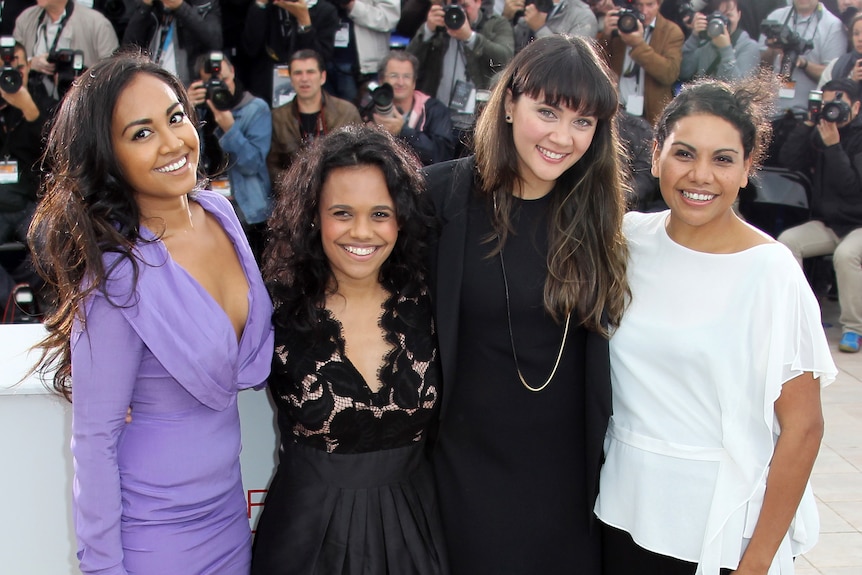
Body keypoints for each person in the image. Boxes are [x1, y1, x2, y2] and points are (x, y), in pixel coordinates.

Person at [27, 52, 274, 574]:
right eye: (141, 134)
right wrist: (104, 569)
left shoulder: (222, 215)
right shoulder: (116, 273)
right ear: (107, 155)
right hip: (155, 536)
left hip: (230, 517)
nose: (172, 143)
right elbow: (94, 442)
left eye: (176, 117)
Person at [595, 77, 837, 575]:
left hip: (720, 527)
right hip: (621, 510)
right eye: (684, 153)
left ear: (748, 168)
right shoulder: (625, 240)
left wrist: (758, 561)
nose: (700, 175)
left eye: (723, 159)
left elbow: (803, 428)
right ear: (657, 153)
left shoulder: (771, 272)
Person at [423, 35, 629, 573]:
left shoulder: (598, 214)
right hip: (462, 472)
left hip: (565, 479)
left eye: (583, 122)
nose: (563, 137)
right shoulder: (438, 198)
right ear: (509, 104)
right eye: (548, 112)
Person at [251, 125, 448, 574]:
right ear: (313, 216)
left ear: (402, 217)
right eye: (342, 212)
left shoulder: (430, 301)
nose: (362, 232)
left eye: (381, 213)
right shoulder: (273, 308)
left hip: (415, 535)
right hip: (306, 539)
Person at [777, 78, 862, 353]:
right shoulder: (820, 131)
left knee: (847, 255)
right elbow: (789, 160)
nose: (832, 110)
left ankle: (853, 329)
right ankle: (797, 320)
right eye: (825, 104)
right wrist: (809, 124)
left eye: (838, 103)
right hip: (829, 223)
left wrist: (834, 147)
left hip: (858, 224)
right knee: (787, 242)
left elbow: (852, 188)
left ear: (856, 107)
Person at [189, 52, 272, 260]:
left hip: (248, 208)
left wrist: (230, 128)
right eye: (212, 82)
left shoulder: (255, 109)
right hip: (208, 205)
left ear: (233, 72)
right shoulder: (195, 111)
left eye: (224, 80)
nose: (221, 87)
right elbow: (189, 158)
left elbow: (252, 164)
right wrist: (186, 108)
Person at [406, 0, 514, 144]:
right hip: (438, 117)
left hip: (477, 117)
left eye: (464, 6)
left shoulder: (496, 24)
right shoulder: (439, 26)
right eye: (453, 5)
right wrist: (427, 31)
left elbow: (505, 58)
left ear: (478, 2)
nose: (458, 11)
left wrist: (470, 38)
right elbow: (408, 63)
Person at [0, 40, 49, 319]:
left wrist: (29, 110)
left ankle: (24, 295)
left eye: (18, 66)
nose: (12, 74)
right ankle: (15, 306)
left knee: (52, 247)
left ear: (28, 66)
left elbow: (54, 151)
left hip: (29, 201)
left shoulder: (40, 99)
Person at [267, 49, 362, 179]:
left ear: (322, 77)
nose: (304, 79)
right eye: (298, 73)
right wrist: (297, 185)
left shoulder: (347, 112)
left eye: (310, 72)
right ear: (291, 79)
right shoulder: (278, 118)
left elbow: (359, 159)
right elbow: (272, 166)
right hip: (295, 192)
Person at [13, 0, 118, 103]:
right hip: (33, 104)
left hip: (82, 104)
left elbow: (114, 75)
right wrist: (30, 63)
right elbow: (9, 64)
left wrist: (85, 78)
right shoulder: (25, 19)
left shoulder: (97, 24)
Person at [598, 0, 684, 124]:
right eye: (639, 5)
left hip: (650, 113)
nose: (644, 11)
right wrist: (605, 35)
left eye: (650, 5)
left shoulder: (671, 31)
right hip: (617, 109)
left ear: (659, 5)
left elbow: (669, 74)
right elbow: (598, 61)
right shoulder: (621, 24)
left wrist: (638, 45)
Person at [240, 0, 338, 106]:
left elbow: (321, 59)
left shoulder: (325, 10)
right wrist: (260, 4)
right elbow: (250, 48)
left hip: (305, 88)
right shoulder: (267, 7)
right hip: (265, 86)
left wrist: (304, 22)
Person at [366, 50, 456, 166]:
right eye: (394, 76)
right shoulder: (369, 108)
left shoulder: (435, 110)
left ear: (414, 82)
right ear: (381, 80)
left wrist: (403, 131)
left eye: (407, 77)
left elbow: (443, 155)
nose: (400, 82)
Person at [759, 0, 847, 112]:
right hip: (771, 112)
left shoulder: (832, 25)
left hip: (808, 114)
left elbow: (833, 75)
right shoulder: (776, 17)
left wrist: (803, 64)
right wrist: (773, 50)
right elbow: (759, 66)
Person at [122, 0, 223, 86]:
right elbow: (127, 48)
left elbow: (215, 40)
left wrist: (180, 7)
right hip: (150, 83)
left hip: (187, 87)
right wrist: (144, 8)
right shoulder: (152, 8)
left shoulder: (203, 4)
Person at [679, 0, 760, 81]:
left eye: (729, 15)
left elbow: (740, 88)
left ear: (738, 15)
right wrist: (694, 37)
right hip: (702, 93)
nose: (722, 22)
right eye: (720, 16)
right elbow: (684, 73)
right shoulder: (705, 42)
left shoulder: (749, 47)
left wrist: (726, 49)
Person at [511, 0, 598, 53]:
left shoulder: (584, 16)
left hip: (556, 79)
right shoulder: (533, 3)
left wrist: (540, 28)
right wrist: (507, 16)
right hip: (523, 72)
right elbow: (512, 48)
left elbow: (575, 57)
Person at [818, 13, 862, 87]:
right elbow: (822, 95)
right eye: (856, 34)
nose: (860, 39)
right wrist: (852, 82)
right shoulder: (836, 65)